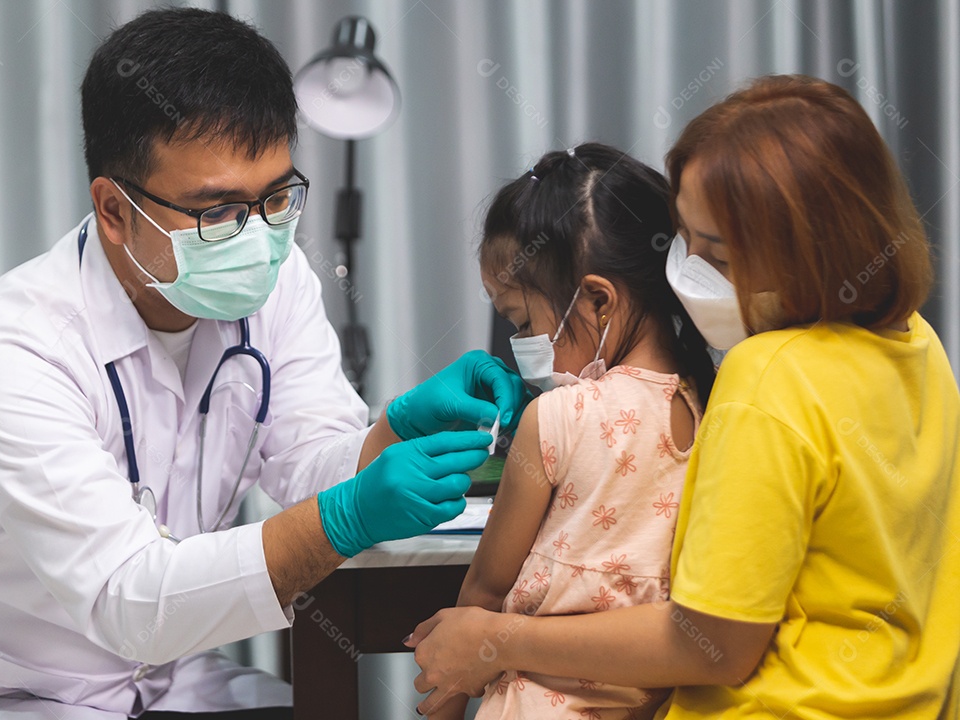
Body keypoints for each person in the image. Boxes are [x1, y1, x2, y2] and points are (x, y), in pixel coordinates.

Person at [0, 9, 526, 720]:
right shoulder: (13, 352)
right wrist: (345, 518)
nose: (258, 238)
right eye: (216, 211)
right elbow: (129, 598)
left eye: (277, 196)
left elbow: (305, 463)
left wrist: (388, 437)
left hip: (152, 678)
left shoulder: (277, 282)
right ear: (114, 210)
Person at [408, 74, 960, 720]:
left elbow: (713, 644)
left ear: (807, 251)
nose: (685, 274)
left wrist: (498, 640)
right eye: (681, 241)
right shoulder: (921, 347)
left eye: (717, 256)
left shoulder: (766, 377)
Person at [427, 143, 713, 720]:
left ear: (597, 300)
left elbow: (485, 588)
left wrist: (447, 699)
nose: (523, 343)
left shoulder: (559, 416)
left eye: (523, 321)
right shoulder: (714, 404)